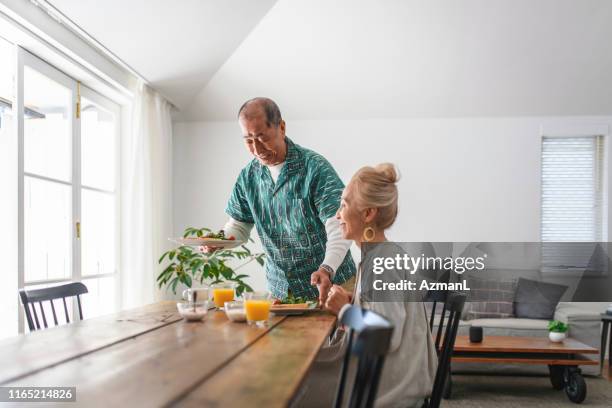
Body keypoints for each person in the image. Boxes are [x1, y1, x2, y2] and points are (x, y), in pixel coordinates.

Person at [295, 163, 438, 408]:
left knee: (291, 381)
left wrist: (344, 310)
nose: (337, 215)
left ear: (368, 214)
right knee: (299, 367)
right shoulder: (381, 255)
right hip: (395, 374)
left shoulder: (382, 260)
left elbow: (385, 334)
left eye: (344, 205)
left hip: (389, 383)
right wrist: (355, 301)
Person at [212, 97, 356, 302]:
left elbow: (339, 226)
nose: (257, 149)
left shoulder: (315, 167)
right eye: (248, 140)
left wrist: (327, 268)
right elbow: (239, 227)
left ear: (281, 127)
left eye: (262, 137)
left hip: (331, 285)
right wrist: (218, 242)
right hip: (280, 293)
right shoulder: (248, 177)